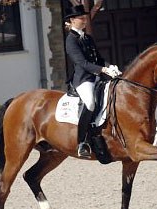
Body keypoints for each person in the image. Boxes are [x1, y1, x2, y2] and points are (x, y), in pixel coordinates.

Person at [65, 4, 121, 158]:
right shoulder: (70, 40)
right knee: (90, 102)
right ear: (72, 20)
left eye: (85, 18)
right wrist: (103, 70)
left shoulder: (87, 38)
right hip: (84, 79)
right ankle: (81, 142)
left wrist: (111, 66)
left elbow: (99, 59)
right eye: (81, 18)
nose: (84, 20)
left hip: (98, 77)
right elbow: (82, 63)